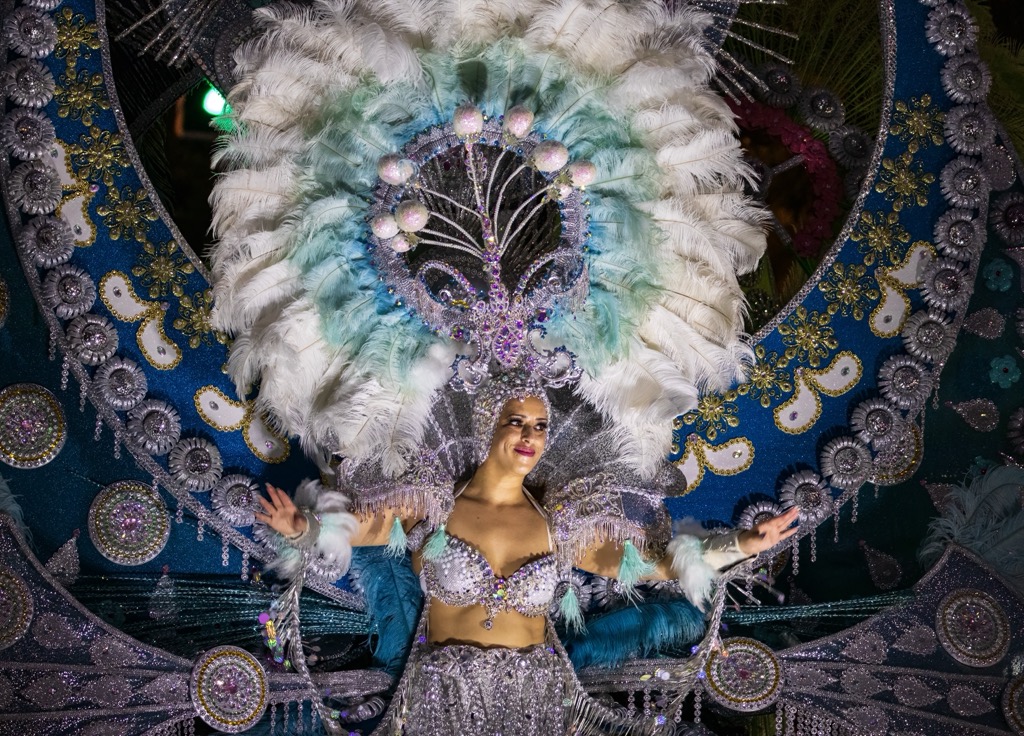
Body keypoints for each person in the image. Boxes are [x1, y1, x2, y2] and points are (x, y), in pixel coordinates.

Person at [256, 383, 800, 735]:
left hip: (536, 698)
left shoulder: (559, 523)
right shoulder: (433, 504)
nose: (530, 436)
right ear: (491, 422)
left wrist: (741, 545)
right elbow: (356, 528)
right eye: (517, 421)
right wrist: (301, 527)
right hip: (443, 697)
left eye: (540, 426)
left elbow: (652, 563)